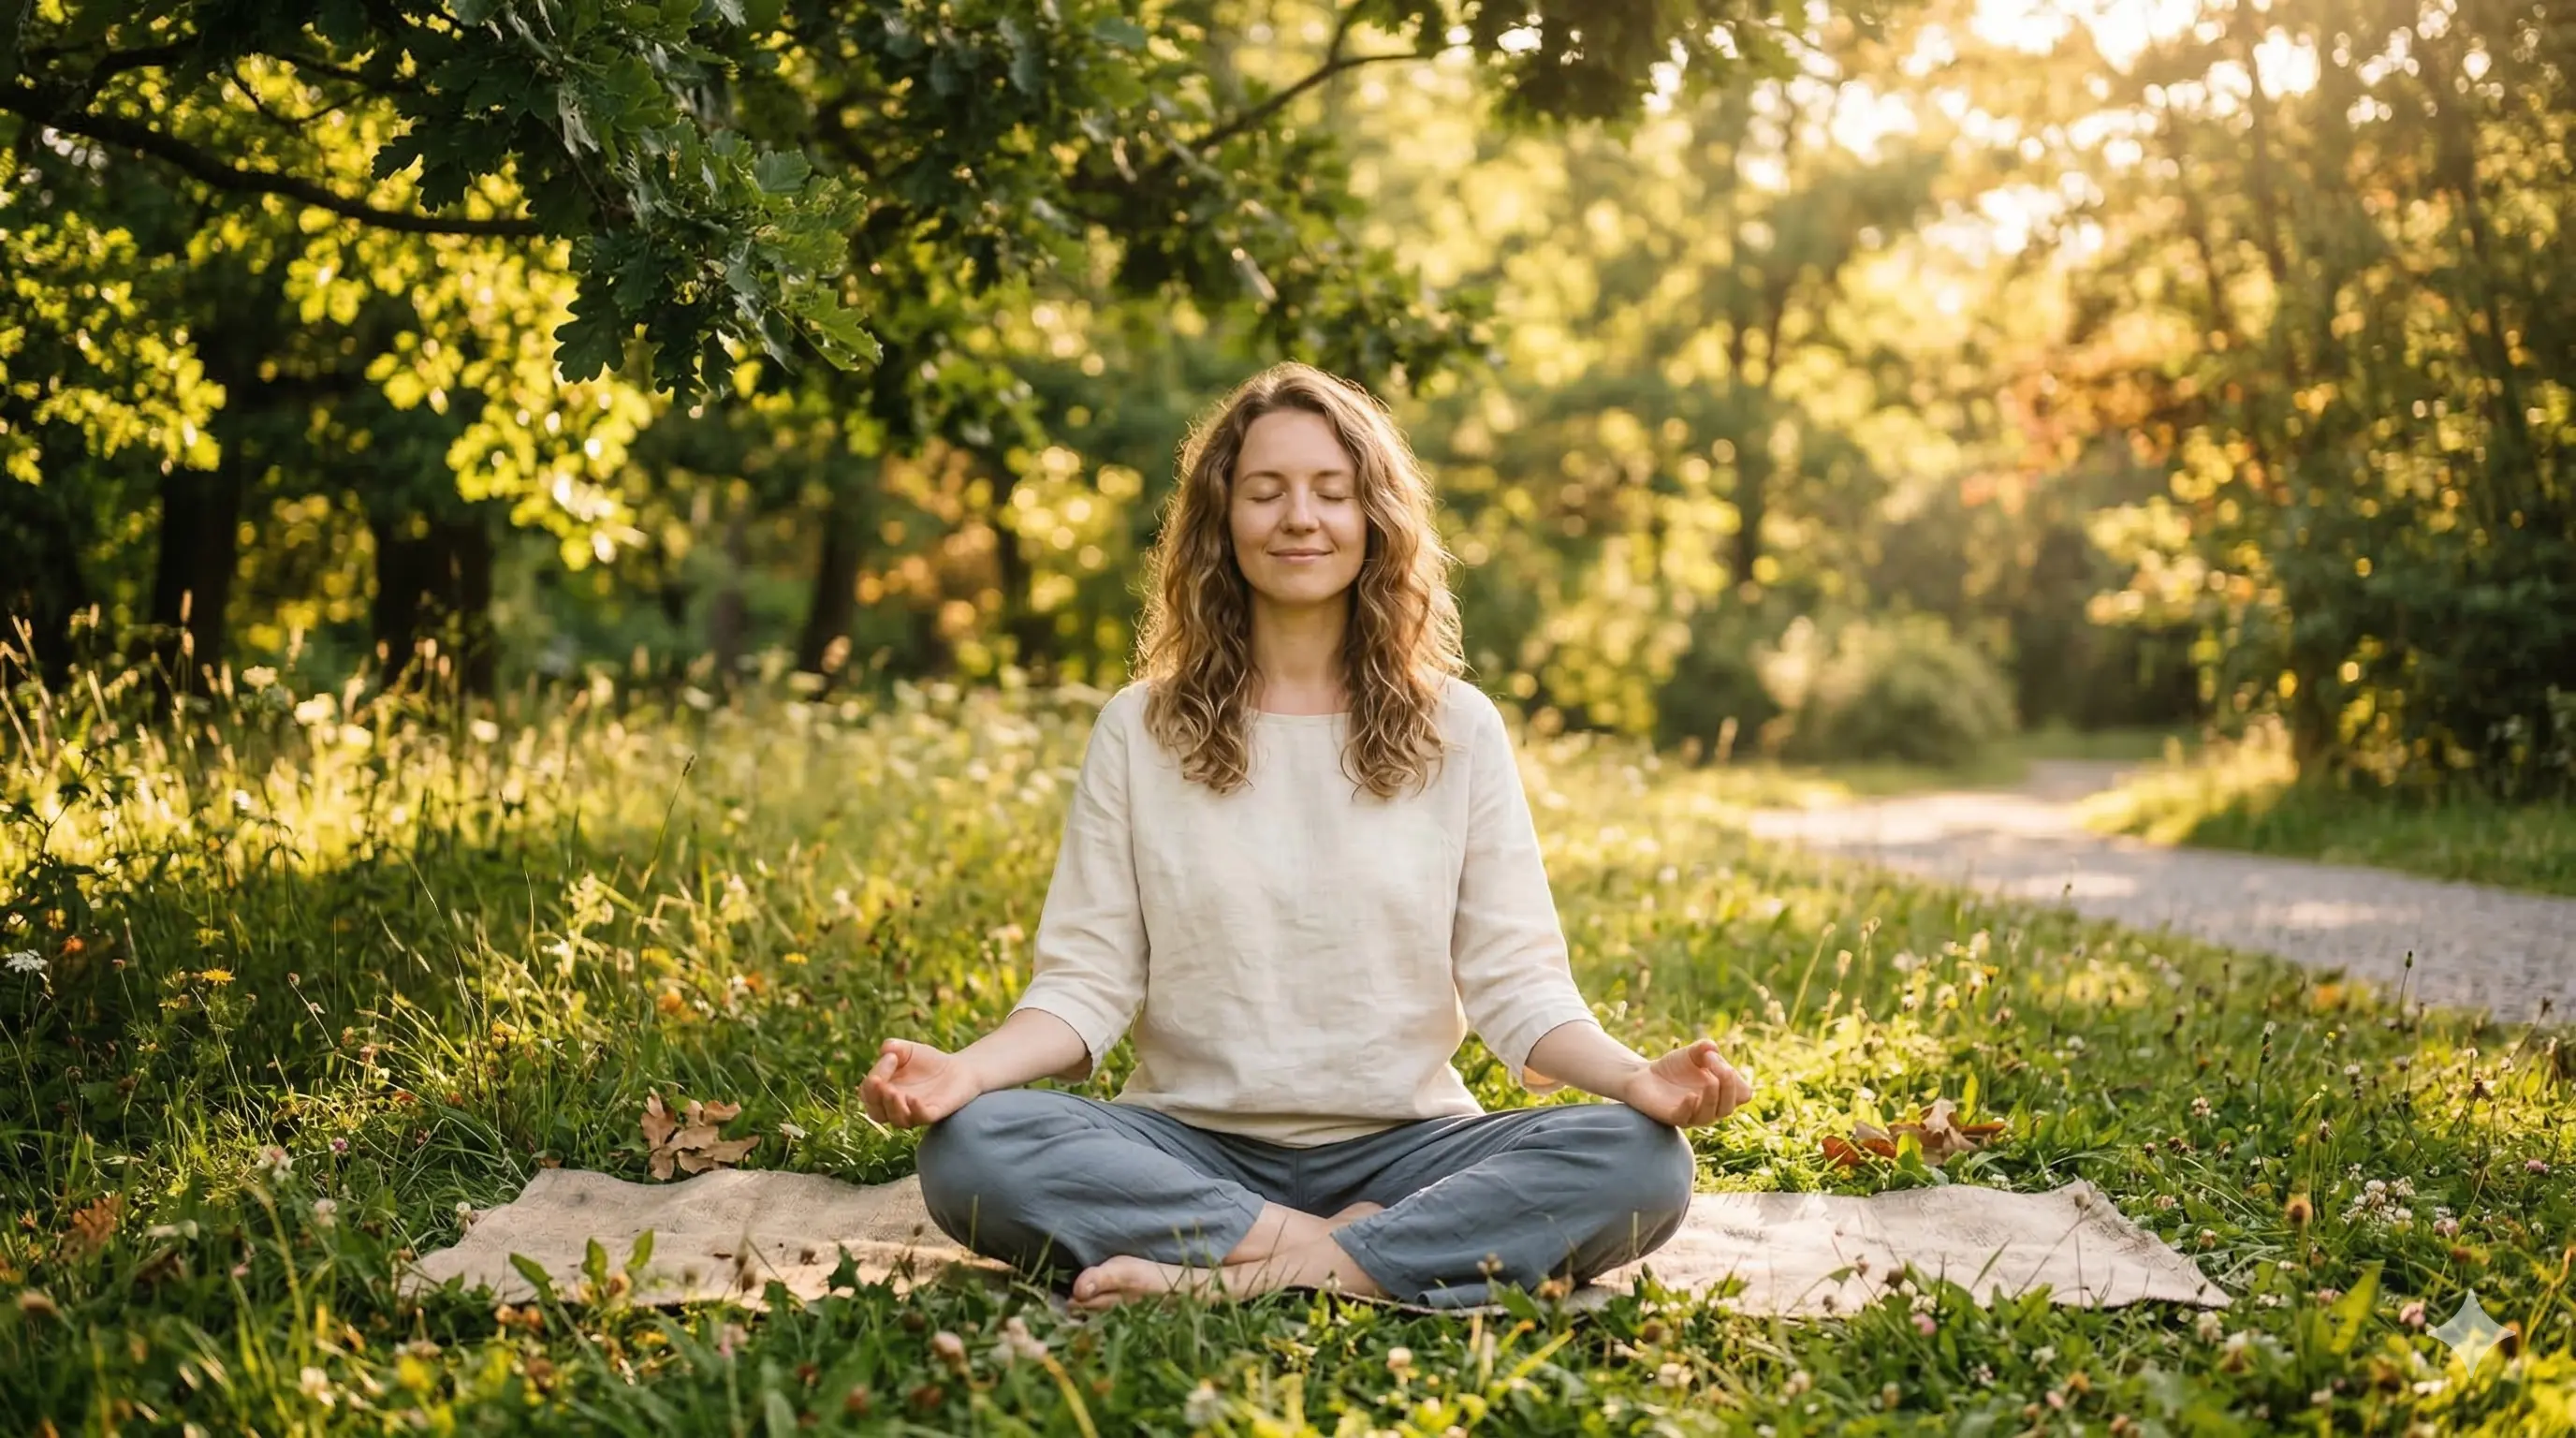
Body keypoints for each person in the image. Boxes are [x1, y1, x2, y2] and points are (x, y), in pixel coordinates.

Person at [859, 361, 1754, 1311]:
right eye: (1265, 491)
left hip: (1410, 1148)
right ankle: (1361, 1256)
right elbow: (1085, 984)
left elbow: (1518, 984)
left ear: (1374, 520)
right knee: (974, 1147)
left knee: (1637, 1161)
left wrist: (1634, 1080)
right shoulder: (1139, 727)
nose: (1300, 518)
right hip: (1184, 1144)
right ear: (1220, 521)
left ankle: (1241, 1274)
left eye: (1332, 492)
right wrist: (966, 1071)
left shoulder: (1458, 727)